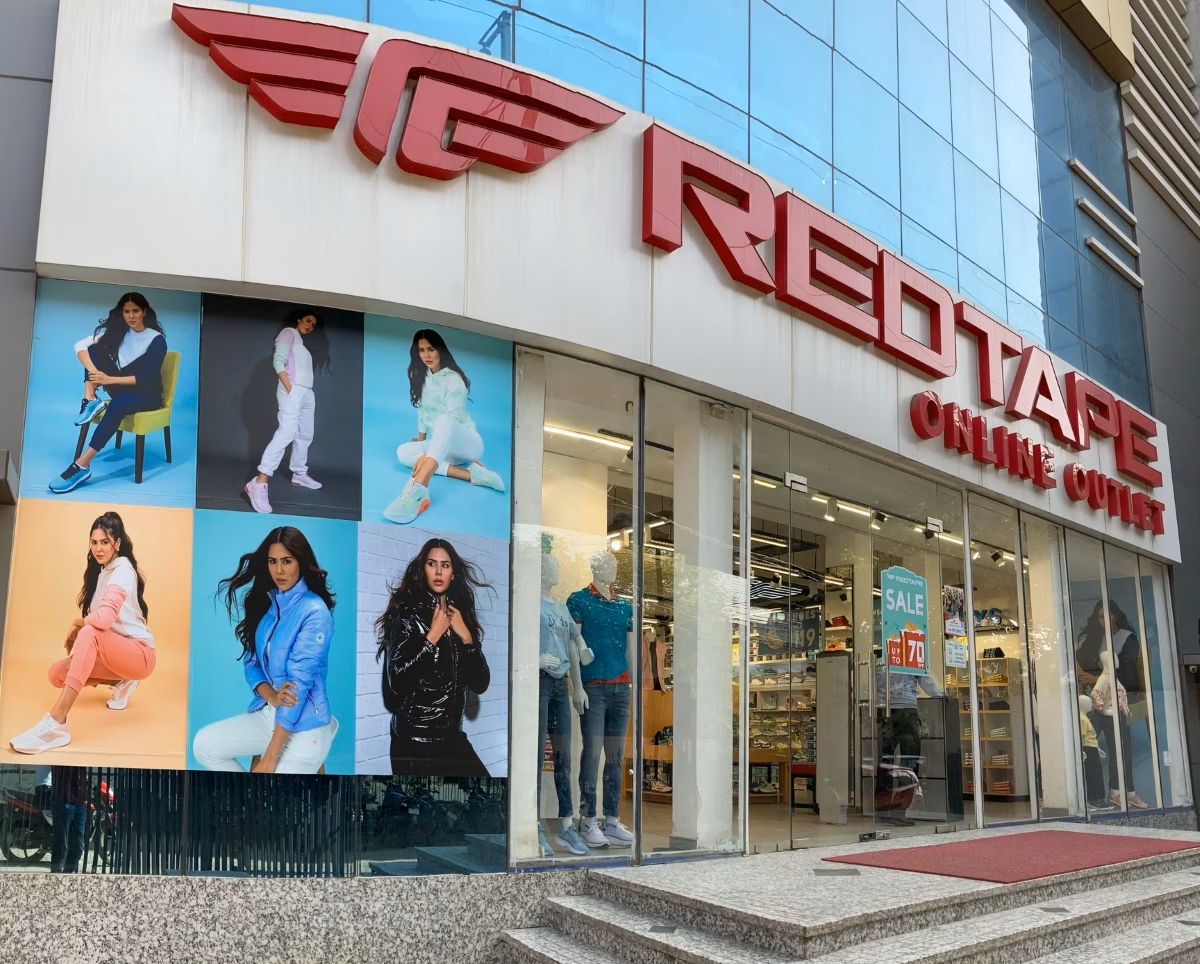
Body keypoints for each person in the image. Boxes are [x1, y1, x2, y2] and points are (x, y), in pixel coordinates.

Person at [192, 527, 338, 773]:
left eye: (287, 561)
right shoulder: (266, 605)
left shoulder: (315, 611)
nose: (279, 571)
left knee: (275, 796)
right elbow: (252, 663)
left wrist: (269, 757)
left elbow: (298, 684)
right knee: (203, 745)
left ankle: (316, 751)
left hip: (305, 722)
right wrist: (270, 695)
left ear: (301, 563)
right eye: (272, 561)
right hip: (270, 714)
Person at [10, 512, 156, 754]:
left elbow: (104, 618)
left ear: (117, 543)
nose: (98, 548)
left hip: (140, 655)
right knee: (56, 674)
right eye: (94, 542)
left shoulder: (122, 569)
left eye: (105, 542)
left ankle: (57, 723)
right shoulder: (100, 572)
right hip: (116, 655)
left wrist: (78, 623)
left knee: (89, 631)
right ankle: (122, 679)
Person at [376, 537, 491, 775]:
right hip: (415, 741)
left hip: (452, 737)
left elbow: (480, 684)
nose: (438, 571)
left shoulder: (461, 617)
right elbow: (396, 681)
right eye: (432, 564)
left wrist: (468, 638)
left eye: (445, 565)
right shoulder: (407, 614)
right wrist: (432, 637)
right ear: (423, 570)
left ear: (453, 574)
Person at [383, 329, 505, 524]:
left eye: (431, 349)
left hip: (467, 445)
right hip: (443, 447)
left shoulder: (454, 380)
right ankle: (473, 475)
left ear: (440, 350)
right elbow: (423, 412)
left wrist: (427, 454)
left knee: (444, 420)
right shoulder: (422, 376)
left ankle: (419, 488)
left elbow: (450, 420)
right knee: (403, 452)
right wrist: (421, 440)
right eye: (422, 350)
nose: (426, 355)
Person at [51, 293, 167, 494]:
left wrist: (109, 380)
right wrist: (96, 375)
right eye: (126, 311)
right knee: (94, 350)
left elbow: (148, 378)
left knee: (118, 404)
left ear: (144, 312)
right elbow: (80, 345)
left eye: (135, 311)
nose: (131, 316)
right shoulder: (119, 332)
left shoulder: (156, 340)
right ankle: (90, 399)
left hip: (148, 395)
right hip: (123, 389)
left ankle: (82, 465)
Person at [244, 308, 331, 514]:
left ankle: (299, 473)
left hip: (307, 393)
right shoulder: (288, 333)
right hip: (292, 390)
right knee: (286, 433)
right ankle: (259, 481)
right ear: (299, 319)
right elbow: (278, 361)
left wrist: (301, 391)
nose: (310, 325)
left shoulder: (301, 343)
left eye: (313, 324)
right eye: (308, 320)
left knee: (305, 434)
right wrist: (289, 387)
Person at [1076, 599, 1150, 809]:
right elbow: (1082, 662)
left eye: (1107, 615)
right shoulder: (1095, 640)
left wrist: (1093, 679)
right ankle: (1095, 793)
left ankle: (1122, 792)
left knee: (1120, 747)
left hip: (1119, 702)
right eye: (1100, 616)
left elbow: (1126, 675)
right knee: (1087, 744)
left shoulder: (1128, 639)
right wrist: (1088, 678)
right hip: (1100, 704)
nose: (1103, 620)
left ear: (1115, 615)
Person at [873, 655, 942, 826]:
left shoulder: (880, 661)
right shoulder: (911, 656)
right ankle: (900, 810)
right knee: (909, 761)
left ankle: (883, 809)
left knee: (885, 762)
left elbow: (872, 687)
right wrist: (940, 695)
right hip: (906, 711)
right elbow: (926, 682)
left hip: (884, 712)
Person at [50, 766, 89, 873]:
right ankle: (56, 876)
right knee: (61, 844)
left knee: (78, 845)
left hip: (79, 802)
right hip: (63, 799)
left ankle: (68, 874)